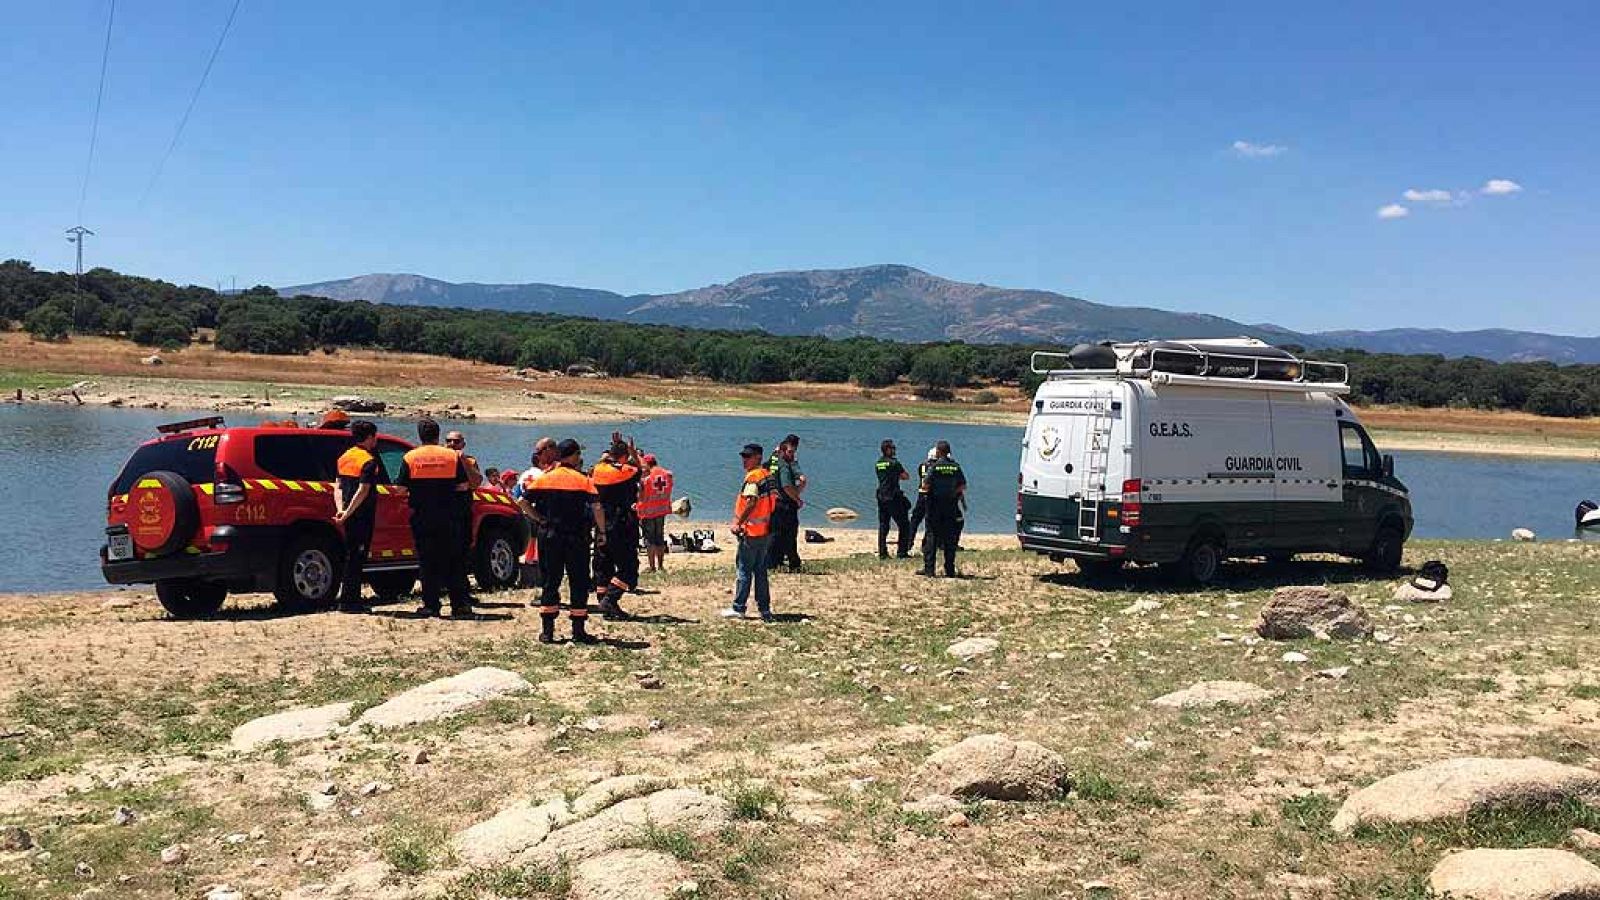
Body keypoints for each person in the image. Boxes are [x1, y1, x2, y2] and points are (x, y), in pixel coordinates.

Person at [524, 439, 606, 643]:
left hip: (550, 535)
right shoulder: (583, 480)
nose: (580, 458)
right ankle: (578, 630)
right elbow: (597, 507)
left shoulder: (545, 479)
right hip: (576, 537)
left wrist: (539, 518)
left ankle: (547, 631)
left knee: (551, 581)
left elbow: (522, 502)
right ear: (572, 456)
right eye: (578, 454)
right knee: (578, 581)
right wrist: (602, 531)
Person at [395, 418, 475, 617]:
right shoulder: (450, 456)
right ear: (438, 435)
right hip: (449, 515)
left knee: (427, 561)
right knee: (454, 560)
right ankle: (459, 605)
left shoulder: (410, 457)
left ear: (420, 435)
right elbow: (464, 485)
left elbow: (400, 488)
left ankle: (431, 604)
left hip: (423, 516)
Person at [722, 443, 779, 621]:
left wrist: (738, 523)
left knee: (744, 571)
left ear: (758, 458)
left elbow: (751, 501)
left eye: (748, 456)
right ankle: (765, 609)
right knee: (761, 571)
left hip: (751, 532)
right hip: (765, 531)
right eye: (743, 456)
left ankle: (739, 608)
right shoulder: (767, 476)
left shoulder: (754, 478)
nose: (744, 460)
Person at [589, 434, 643, 620]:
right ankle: (610, 600)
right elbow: (640, 469)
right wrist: (633, 453)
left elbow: (600, 464)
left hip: (600, 521)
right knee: (629, 568)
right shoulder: (624, 471)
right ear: (624, 456)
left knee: (604, 565)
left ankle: (605, 604)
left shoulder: (597, 470)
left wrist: (614, 449)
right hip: (621, 523)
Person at [332, 420, 382, 613]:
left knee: (350, 555)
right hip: (361, 515)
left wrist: (341, 510)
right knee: (357, 557)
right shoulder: (368, 461)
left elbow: (338, 486)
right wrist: (348, 513)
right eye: (374, 436)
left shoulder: (344, 457)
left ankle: (348, 598)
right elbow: (363, 490)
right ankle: (350, 602)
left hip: (347, 513)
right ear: (369, 437)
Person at [920, 440, 968, 578]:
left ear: (938, 452)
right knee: (950, 539)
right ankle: (949, 570)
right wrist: (952, 492)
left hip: (934, 506)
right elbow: (963, 485)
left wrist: (933, 491)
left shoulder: (934, 467)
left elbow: (925, 486)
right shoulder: (955, 467)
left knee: (932, 537)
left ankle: (929, 570)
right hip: (951, 506)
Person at [444, 430, 482, 604]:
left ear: (463, 444)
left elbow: (475, 483)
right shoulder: (441, 459)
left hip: (463, 512)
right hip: (444, 512)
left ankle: (463, 592)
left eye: (456, 442)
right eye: (448, 441)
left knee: (463, 552)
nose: (452, 445)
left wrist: (463, 462)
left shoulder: (470, 460)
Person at [766, 434, 805, 572]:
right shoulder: (784, 465)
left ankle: (774, 562)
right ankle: (793, 563)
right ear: (784, 450)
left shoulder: (774, 460)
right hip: (785, 503)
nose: (793, 454)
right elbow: (787, 487)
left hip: (773, 501)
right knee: (788, 534)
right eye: (790, 451)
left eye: (794, 451)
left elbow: (766, 467)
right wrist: (797, 498)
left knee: (775, 534)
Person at [874, 439, 912, 559]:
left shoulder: (878, 463)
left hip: (881, 496)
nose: (895, 450)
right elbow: (905, 476)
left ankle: (882, 552)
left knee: (884, 525)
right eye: (893, 448)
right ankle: (902, 552)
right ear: (887, 450)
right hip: (893, 496)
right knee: (904, 524)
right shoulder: (894, 463)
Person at [636, 453, 674, 573]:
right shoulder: (667, 474)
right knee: (659, 538)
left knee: (650, 540)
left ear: (647, 464)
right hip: (662, 510)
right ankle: (661, 566)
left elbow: (641, 496)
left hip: (648, 511)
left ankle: (652, 567)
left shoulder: (646, 478)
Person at [907, 445, 936, 549]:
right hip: (931, 496)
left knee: (915, 520)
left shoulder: (922, 465)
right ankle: (926, 544)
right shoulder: (936, 466)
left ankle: (908, 542)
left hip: (921, 494)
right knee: (930, 521)